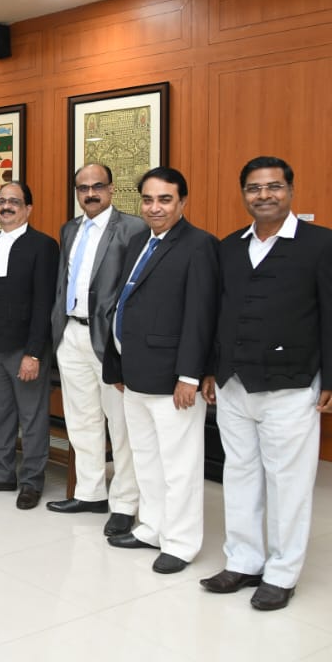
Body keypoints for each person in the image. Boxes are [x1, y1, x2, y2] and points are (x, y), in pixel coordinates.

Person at [200, 157, 332, 611]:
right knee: (239, 475)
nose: (264, 195)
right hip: (233, 384)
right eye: (254, 188)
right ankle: (243, 560)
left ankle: (283, 573)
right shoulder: (229, 247)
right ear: (243, 194)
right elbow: (217, 315)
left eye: (273, 187)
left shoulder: (323, 245)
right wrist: (210, 369)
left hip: (292, 386)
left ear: (290, 190)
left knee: (288, 483)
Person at [103, 167, 218, 574]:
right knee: (147, 459)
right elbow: (124, 305)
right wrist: (117, 365)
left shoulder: (200, 245)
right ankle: (152, 527)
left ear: (182, 201)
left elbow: (201, 315)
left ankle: (181, 543)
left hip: (173, 380)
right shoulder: (139, 241)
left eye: (165, 199)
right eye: (148, 199)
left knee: (179, 466)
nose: (155, 207)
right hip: (135, 374)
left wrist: (190, 375)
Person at [47, 164, 146, 535]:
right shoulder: (69, 229)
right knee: (81, 419)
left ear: (112, 188)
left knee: (121, 426)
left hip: (109, 341)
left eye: (97, 186)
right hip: (71, 334)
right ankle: (90, 493)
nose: (90, 194)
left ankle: (125, 503)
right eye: (83, 188)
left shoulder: (133, 228)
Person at [0, 182, 60, 510]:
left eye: (14, 202)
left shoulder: (43, 246)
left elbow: (44, 304)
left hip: (26, 350)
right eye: (1, 201)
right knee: (1, 414)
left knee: (32, 418)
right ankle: (2, 473)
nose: (6, 206)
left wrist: (34, 353)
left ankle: (32, 481)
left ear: (28, 208)